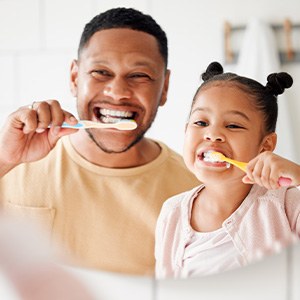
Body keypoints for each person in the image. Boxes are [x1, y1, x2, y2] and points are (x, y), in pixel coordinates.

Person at [0, 7, 199, 276]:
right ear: (74, 77)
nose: (117, 93)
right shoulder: (13, 163)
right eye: (101, 72)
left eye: (139, 75)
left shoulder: (195, 190)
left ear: (164, 88)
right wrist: (3, 159)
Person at [155, 62, 300, 279]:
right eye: (201, 122)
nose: (213, 134)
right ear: (186, 131)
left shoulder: (287, 205)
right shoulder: (172, 212)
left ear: (266, 145)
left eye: (233, 126)